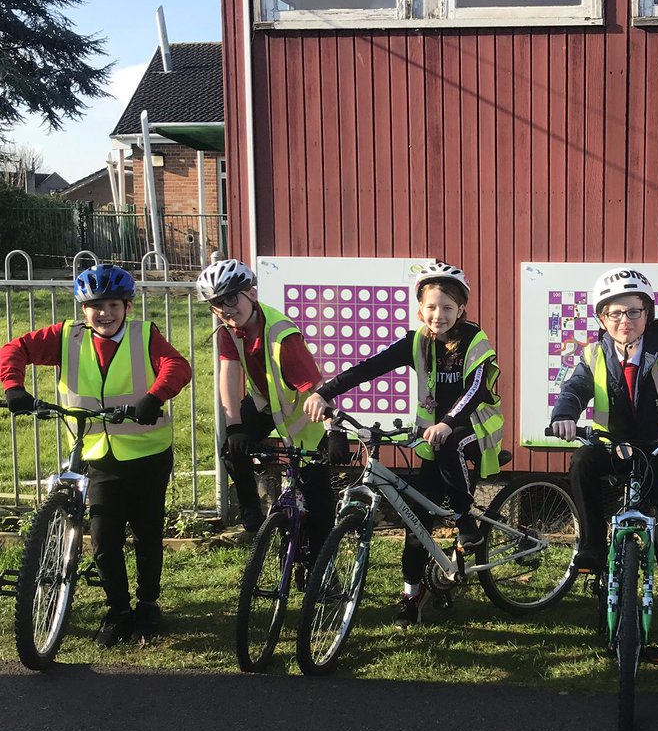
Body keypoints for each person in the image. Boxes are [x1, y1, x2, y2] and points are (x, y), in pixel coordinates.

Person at [303, 261, 504, 627]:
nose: (438, 314)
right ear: (419, 308)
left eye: (447, 307)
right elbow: (369, 367)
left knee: (453, 445)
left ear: (461, 309)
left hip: (473, 428)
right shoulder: (417, 342)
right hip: (434, 439)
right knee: (415, 522)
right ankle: (412, 596)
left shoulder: (475, 339)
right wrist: (325, 393)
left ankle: (465, 523)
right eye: (430, 307)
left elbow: (475, 390)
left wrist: (446, 421)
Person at [0, 264, 192, 647]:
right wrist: (13, 386)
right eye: (95, 306)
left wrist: (154, 397)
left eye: (113, 305)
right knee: (104, 539)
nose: (104, 313)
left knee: (147, 533)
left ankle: (148, 605)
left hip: (147, 453)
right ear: (82, 308)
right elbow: (15, 347)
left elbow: (178, 366)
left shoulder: (145, 335)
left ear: (127, 306)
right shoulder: (67, 337)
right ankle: (118, 610)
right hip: (97, 454)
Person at [550, 266, 658, 675]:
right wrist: (565, 414)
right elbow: (575, 388)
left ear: (648, 314)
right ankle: (591, 547)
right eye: (615, 314)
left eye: (634, 312)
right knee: (582, 462)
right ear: (601, 318)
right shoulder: (593, 355)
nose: (624, 321)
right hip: (616, 449)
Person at [196, 259, 335, 561]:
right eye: (217, 303)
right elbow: (229, 375)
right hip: (264, 404)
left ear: (253, 294)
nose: (226, 309)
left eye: (231, 298)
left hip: (302, 415)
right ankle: (251, 510)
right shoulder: (228, 330)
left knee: (318, 501)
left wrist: (332, 429)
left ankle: (325, 571)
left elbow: (315, 389)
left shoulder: (283, 335)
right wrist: (234, 427)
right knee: (231, 449)